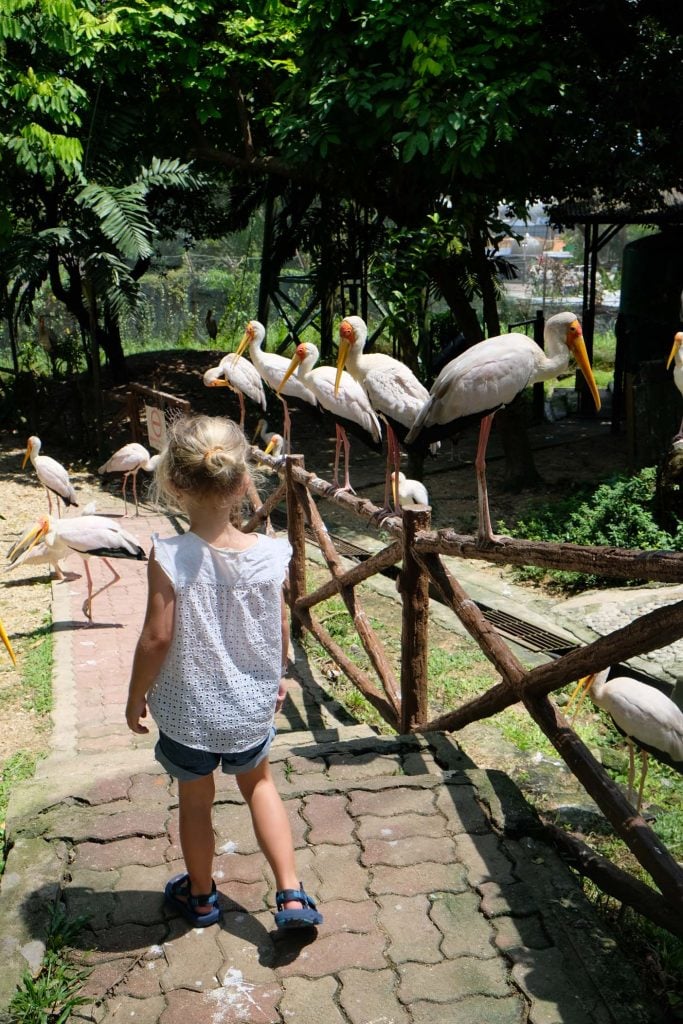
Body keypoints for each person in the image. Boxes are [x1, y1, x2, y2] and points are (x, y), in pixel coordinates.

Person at [125, 414, 322, 931]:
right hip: (249, 706)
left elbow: (157, 637)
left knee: (195, 800)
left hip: (189, 711)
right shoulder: (270, 553)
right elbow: (279, 628)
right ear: (243, 481)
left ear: (171, 482)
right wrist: (277, 675)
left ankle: (202, 897)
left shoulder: (171, 555)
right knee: (260, 787)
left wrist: (135, 694)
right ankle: (291, 895)